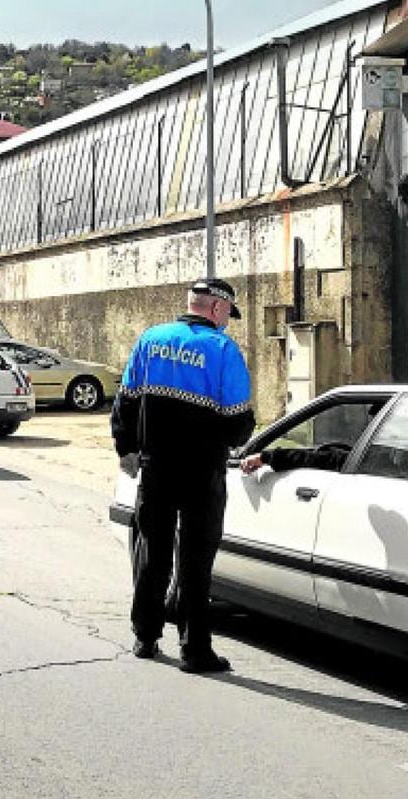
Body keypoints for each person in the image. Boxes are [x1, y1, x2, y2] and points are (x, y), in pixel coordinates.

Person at [112, 278, 255, 674]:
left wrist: (126, 448)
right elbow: (238, 419)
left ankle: (145, 635)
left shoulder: (150, 339)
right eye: (228, 312)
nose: (228, 320)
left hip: (156, 468)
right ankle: (194, 650)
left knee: (152, 553)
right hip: (201, 473)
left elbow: (125, 401)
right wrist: (234, 442)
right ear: (216, 308)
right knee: (195, 560)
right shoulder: (223, 349)